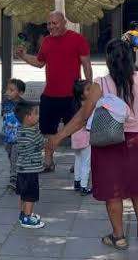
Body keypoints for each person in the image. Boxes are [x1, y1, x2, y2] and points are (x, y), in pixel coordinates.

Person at [48, 40, 138, 250]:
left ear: (108, 60)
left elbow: (81, 117)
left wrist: (59, 136)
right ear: (132, 58)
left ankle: (119, 236)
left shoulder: (101, 85)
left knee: (113, 191)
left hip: (108, 142)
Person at [16, 11, 92, 172]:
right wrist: (23, 56)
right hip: (50, 95)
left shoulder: (77, 39)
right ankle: (49, 161)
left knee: (76, 130)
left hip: (72, 96)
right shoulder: (47, 42)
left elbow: (86, 64)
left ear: (64, 22)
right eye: (49, 23)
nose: (51, 27)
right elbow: (39, 62)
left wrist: (89, 88)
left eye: (55, 23)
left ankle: (78, 162)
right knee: (48, 130)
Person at [14, 101, 46, 229]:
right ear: (28, 117)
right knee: (31, 195)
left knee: (24, 194)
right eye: (36, 114)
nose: (39, 116)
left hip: (22, 169)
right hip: (30, 170)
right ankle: (27, 217)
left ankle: (23, 214)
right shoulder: (32, 133)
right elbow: (41, 143)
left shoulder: (21, 130)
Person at [2, 78, 26, 191]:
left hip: (19, 137)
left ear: (20, 93)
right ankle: (18, 172)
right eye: (8, 89)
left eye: (12, 90)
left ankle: (13, 179)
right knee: (10, 156)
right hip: (8, 137)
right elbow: (5, 118)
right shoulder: (6, 103)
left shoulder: (23, 105)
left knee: (14, 157)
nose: (8, 92)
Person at [71, 79, 92, 195]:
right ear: (81, 94)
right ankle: (84, 186)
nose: (92, 91)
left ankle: (77, 182)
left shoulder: (74, 105)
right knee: (86, 162)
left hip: (75, 135)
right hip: (85, 136)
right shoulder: (87, 105)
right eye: (88, 89)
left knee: (78, 160)